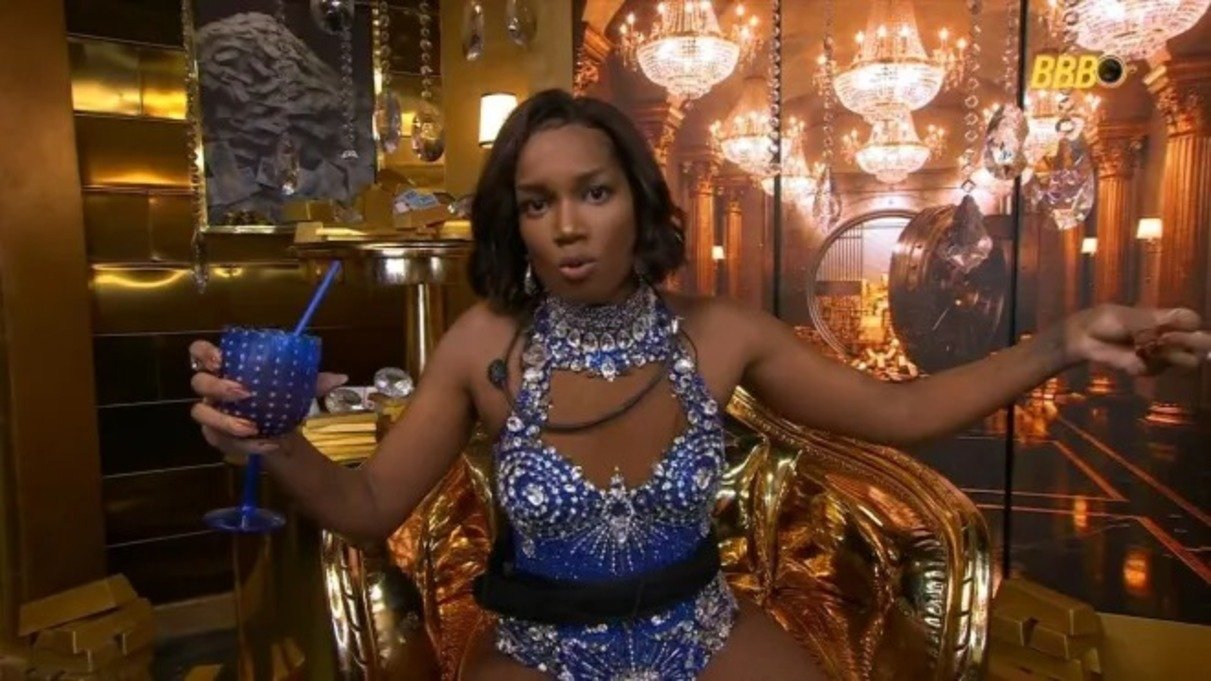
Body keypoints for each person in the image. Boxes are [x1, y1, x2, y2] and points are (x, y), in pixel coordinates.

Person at [189, 89, 1210, 680]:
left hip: (703, 632)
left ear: (637, 201)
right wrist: (269, 443)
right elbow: (368, 505)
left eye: (593, 192)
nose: (568, 225)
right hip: (539, 650)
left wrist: (1062, 339)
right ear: (515, 223)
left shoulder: (721, 334)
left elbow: (902, 411)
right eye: (537, 203)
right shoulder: (481, 345)